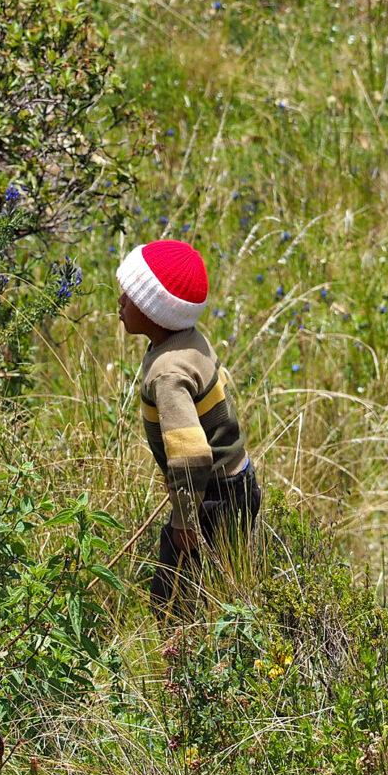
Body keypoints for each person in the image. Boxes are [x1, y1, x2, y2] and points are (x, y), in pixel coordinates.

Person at [116, 239, 260, 611]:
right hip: (236, 480)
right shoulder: (188, 340)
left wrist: (184, 520)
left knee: (174, 598)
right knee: (222, 580)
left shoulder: (168, 373)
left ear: (154, 312)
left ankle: (180, 660)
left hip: (215, 493)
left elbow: (191, 454)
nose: (120, 302)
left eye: (129, 297)